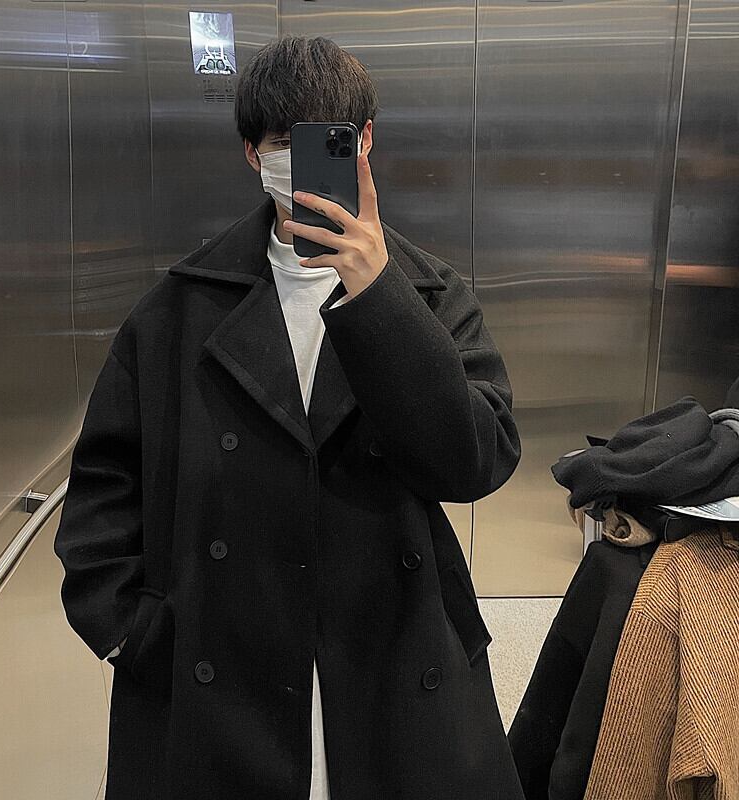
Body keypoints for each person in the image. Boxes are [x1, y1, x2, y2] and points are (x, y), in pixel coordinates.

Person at [54, 34, 523, 800]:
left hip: (393, 666)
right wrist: (135, 637)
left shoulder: (431, 298)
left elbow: (474, 463)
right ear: (252, 153)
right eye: (282, 143)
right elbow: (102, 493)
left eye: (327, 142)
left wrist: (379, 297)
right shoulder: (177, 310)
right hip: (219, 678)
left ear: (364, 143)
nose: (302, 165)